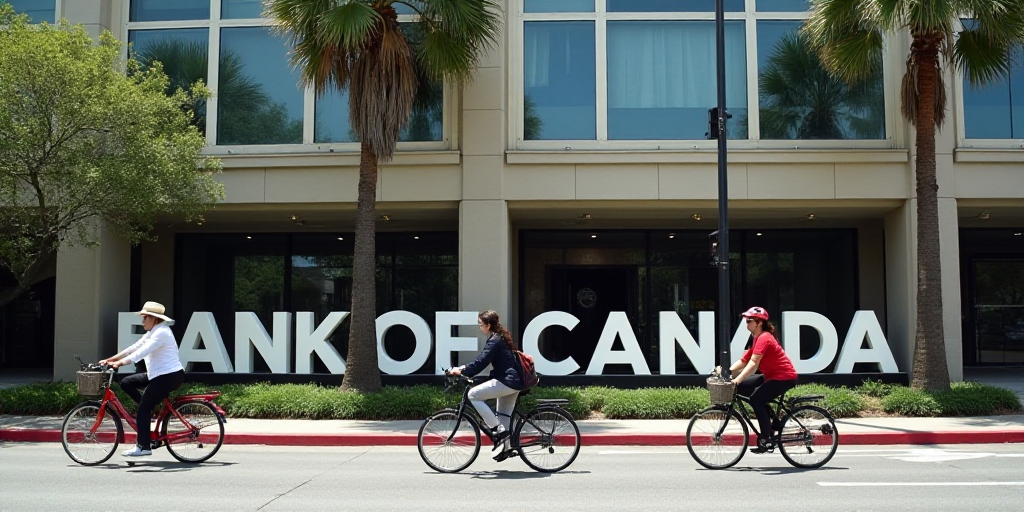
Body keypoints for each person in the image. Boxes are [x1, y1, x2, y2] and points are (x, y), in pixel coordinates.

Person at [99, 301, 185, 457]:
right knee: (127, 382)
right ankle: (149, 408)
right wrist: (110, 360)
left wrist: (120, 363)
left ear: (154, 318)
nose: (142, 321)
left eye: (145, 317)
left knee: (143, 410)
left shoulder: (162, 333)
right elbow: (134, 347)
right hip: (157, 374)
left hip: (169, 376)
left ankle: (144, 446)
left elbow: (141, 352)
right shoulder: (153, 332)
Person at [447, 310, 525, 462]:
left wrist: (465, 372)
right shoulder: (498, 337)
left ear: (488, 325)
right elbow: (481, 359)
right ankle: (507, 448)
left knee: (473, 395)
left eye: (481, 324)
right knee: (503, 416)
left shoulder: (495, 340)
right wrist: (462, 368)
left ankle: (497, 430)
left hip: (507, 381)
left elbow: (481, 361)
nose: (479, 327)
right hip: (512, 381)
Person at [719, 306, 797, 454]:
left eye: (749, 320)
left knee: (756, 400)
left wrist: (738, 379)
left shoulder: (764, 337)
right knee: (743, 388)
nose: (746, 323)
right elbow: (744, 360)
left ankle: (766, 438)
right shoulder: (757, 338)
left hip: (784, 377)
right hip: (770, 376)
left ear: (759, 323)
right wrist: (727, 372)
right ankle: (773, 421)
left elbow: (753, 364)